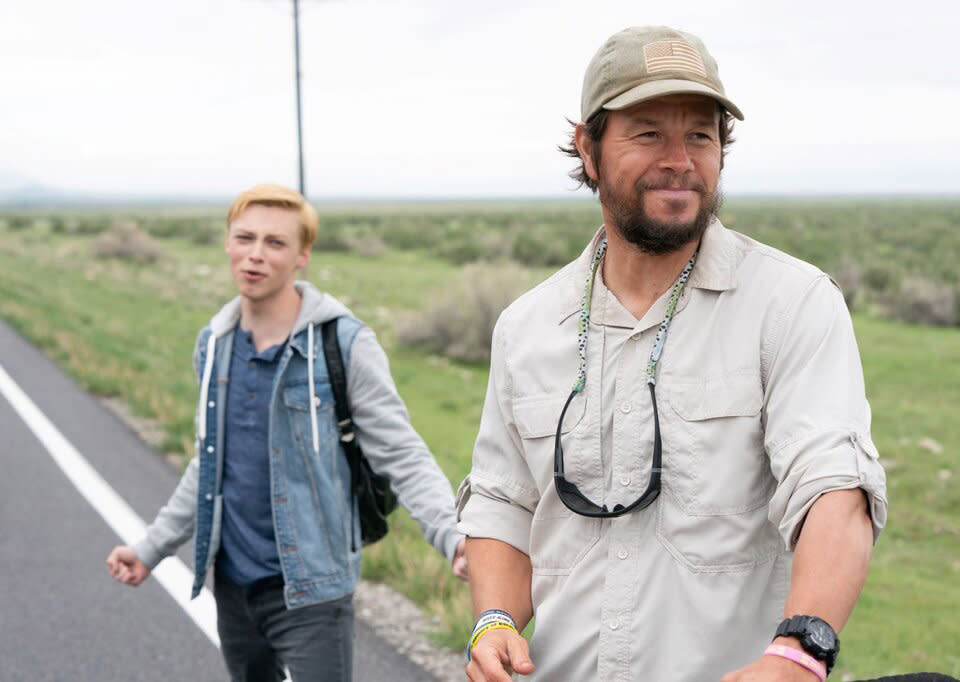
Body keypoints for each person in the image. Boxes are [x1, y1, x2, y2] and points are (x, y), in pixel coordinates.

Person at [457, 26, 888, 682]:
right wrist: (494, 623)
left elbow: (834, 488)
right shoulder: (527, 327)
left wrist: (800, 651)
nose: (680, 159)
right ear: (589, 148)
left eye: (700, 134)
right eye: (649, 132)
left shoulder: (790, 304)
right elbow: (503, 502)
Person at [106, 183, 468, 682]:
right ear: (228, 244)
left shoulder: (345, 345)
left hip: (313, 588)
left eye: (275, 243)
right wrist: (151, 548)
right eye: (245, 238)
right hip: (232, 582)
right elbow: (210, 464)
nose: (256, 255)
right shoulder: (214, 344)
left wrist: (452, 535)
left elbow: (401, 453)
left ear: (302, 255)